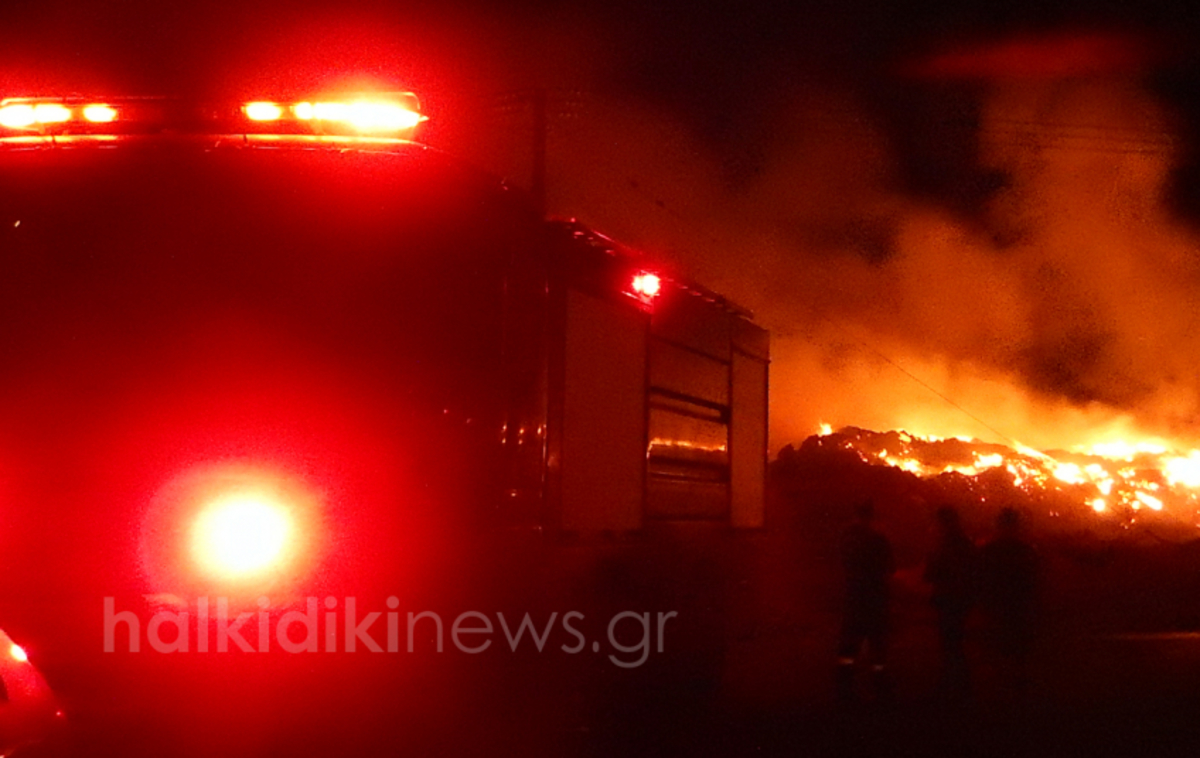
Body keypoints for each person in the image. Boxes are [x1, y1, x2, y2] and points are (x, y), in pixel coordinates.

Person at [836, 499, 895, 703]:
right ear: (871, 516)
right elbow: (890, 568)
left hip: (854, 598)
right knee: (877, 646)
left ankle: (844, 688)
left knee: (849, 645)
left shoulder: (846, 538)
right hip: (874, 599)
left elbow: (841, 563)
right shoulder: (878, 540)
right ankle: (880, 689)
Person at [978, 507, 1038, 699]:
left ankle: (1001, 691)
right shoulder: (1026, 551)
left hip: (999, 607)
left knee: (1000, 650)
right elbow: (1034, 580)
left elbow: (979, 579)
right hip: (1016, 607)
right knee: (1016, 652)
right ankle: (1016, 691)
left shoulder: (989, 550)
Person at [923, 505, 976, 699]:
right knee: (955, 643)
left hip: (948, 600)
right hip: (962, 601)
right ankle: (959, 686)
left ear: (942, 523)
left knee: (949, 644)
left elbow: (930, 575)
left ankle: (952, 687)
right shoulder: (966, 544)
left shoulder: (943, 546)